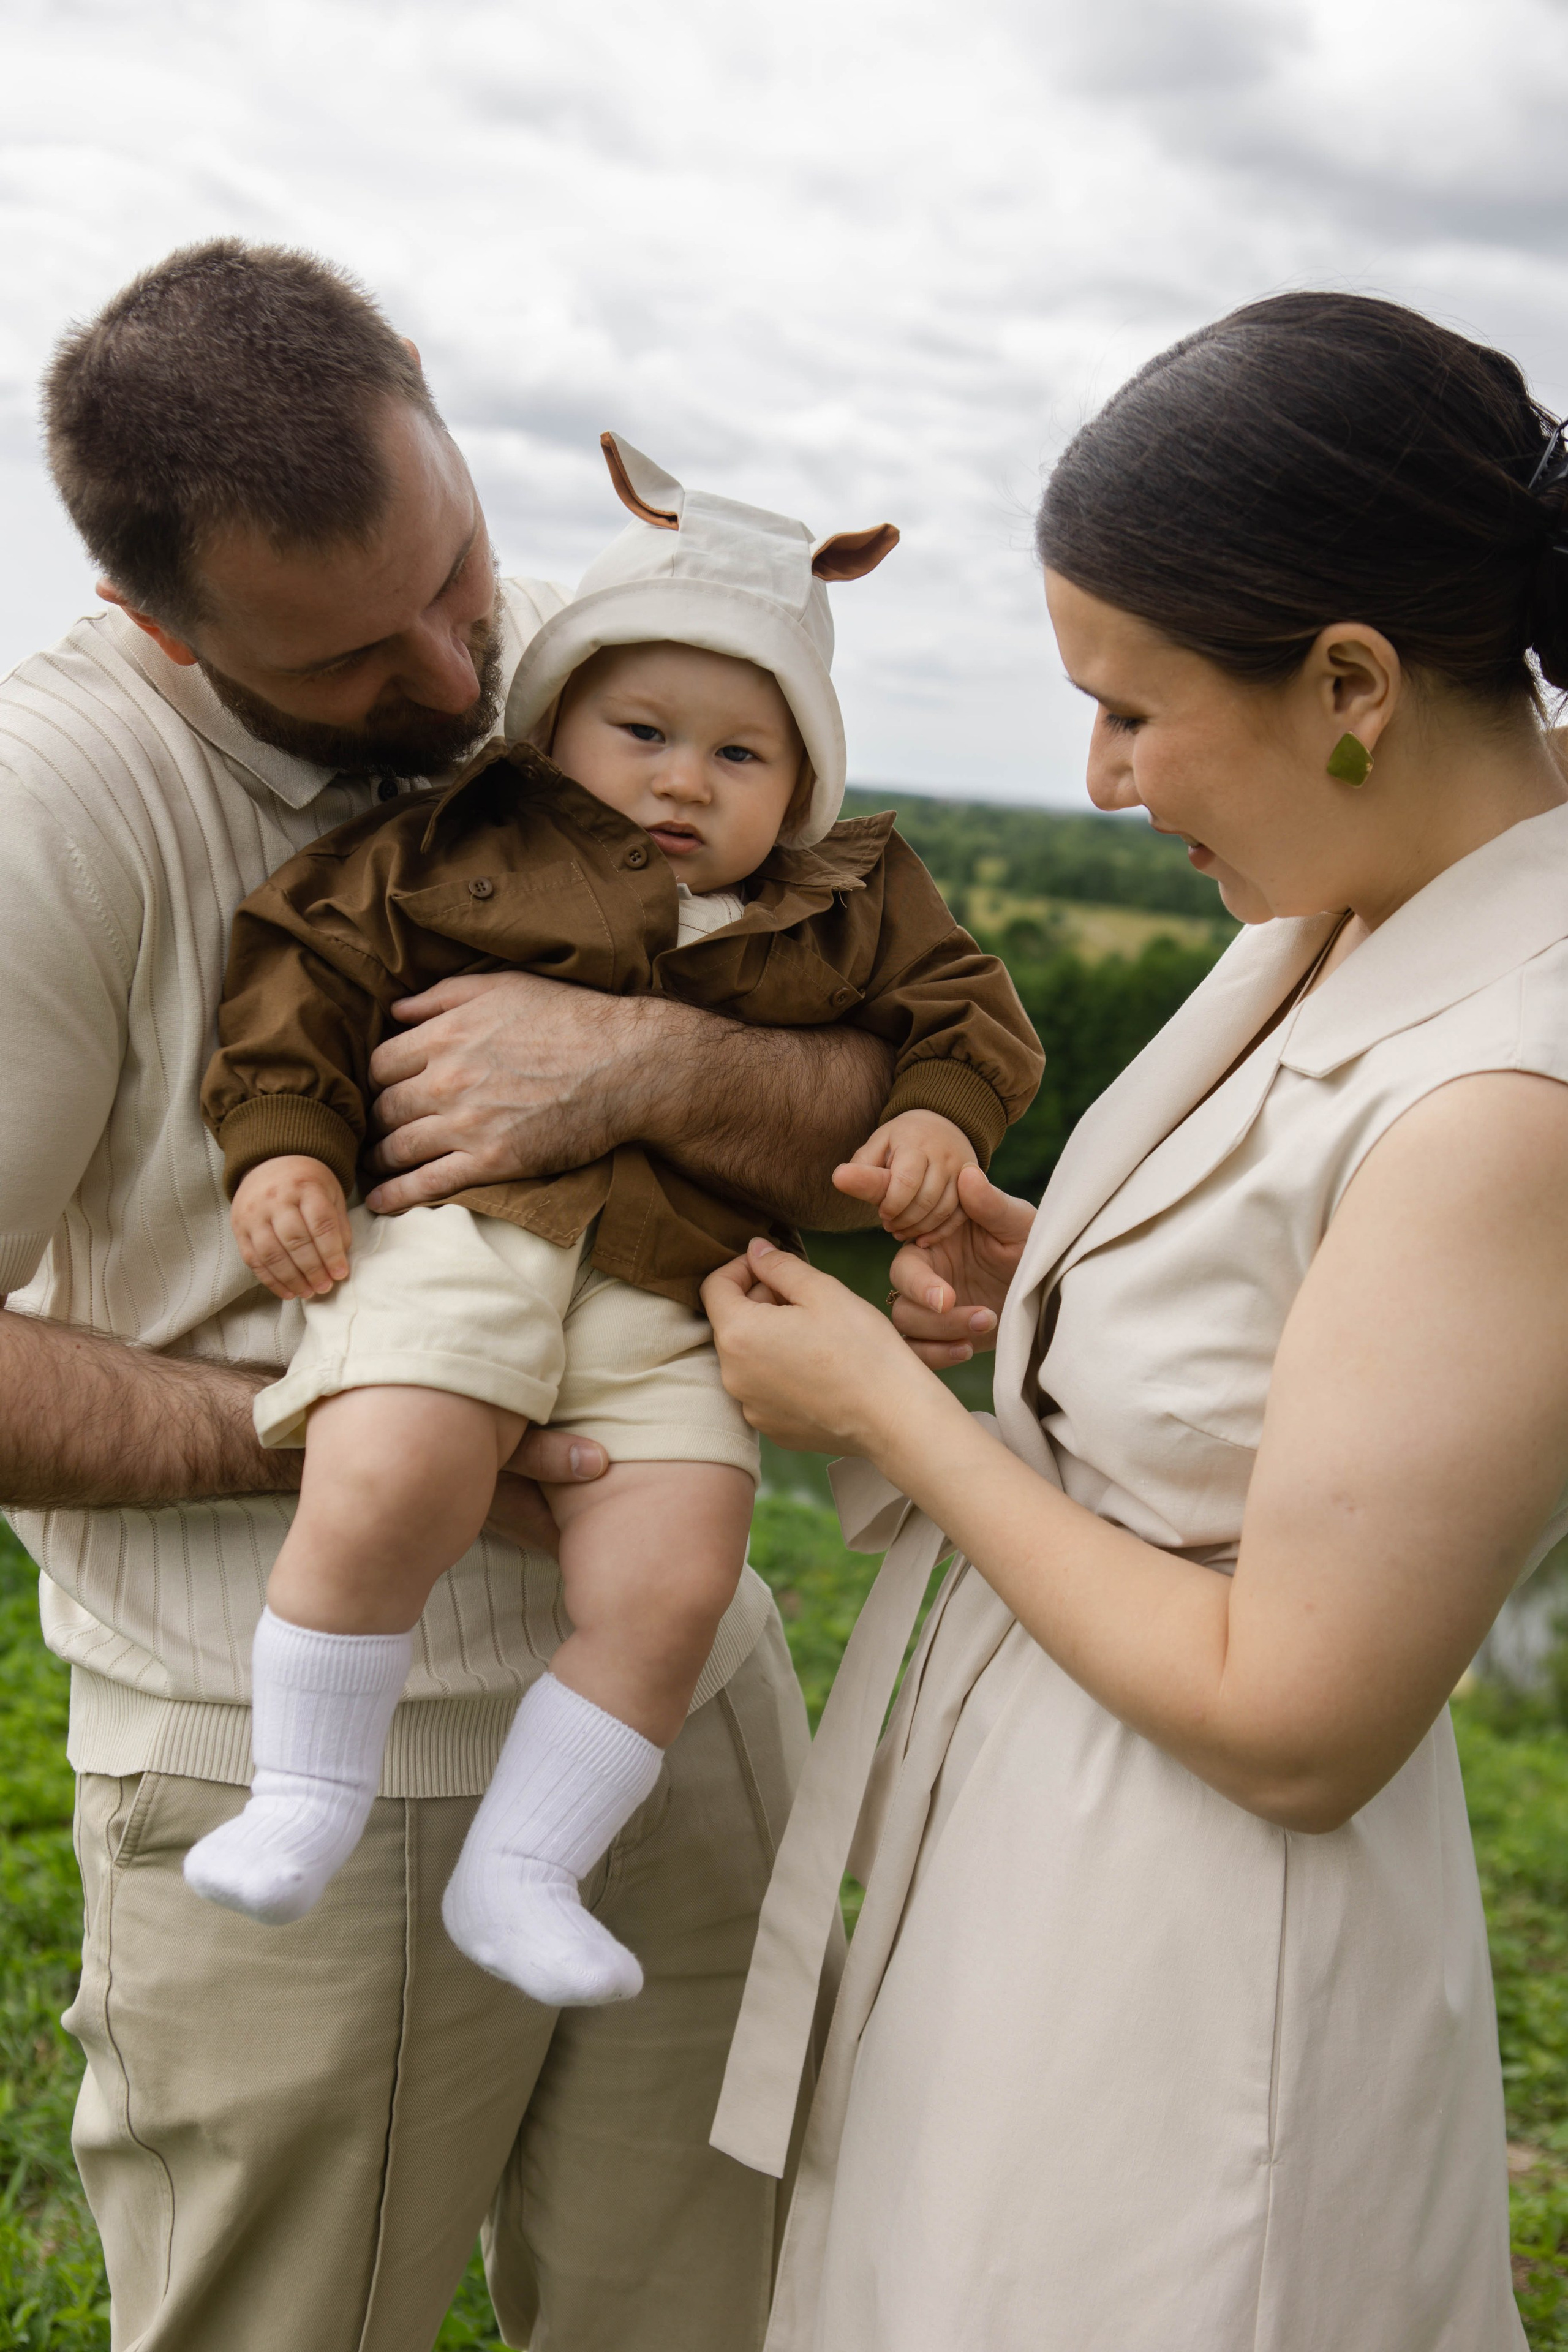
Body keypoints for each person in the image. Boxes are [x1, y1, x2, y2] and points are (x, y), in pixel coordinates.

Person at [0, 239, 911, 2352]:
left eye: (457, 572)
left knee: (720, 2315)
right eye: (351, 658)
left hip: (675, 1699)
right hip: (300, 1760)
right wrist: (362, 1430)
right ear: (160, 616)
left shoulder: (604, 688)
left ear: (426, 392)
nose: (448, 670)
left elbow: (868, 1079)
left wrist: (654, 1064)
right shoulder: (58, 807)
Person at [699, 291, 1568, 2350]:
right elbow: (1313, 1305)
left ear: (1350, 680)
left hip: (1196, 1964)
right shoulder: (1346, 886)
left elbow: (1300, 1719)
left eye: (1129, 711)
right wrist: (1065, 1287)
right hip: (1049, 1862)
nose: (1094, 780)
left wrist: (890, 1415)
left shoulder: (1516, 1088)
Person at [178, 432, 1040, 2005]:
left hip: (676, 1293)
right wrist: (282, 1145)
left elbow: (964, 1016)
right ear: (556, 718)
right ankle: (299, 1793)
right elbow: (303, 966)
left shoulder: (849, 898)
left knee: (674, 1577)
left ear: (804, 781)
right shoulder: (462, 839)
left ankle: (524, 1868)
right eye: (641, 731)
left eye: (741, 756)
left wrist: (934, 1119)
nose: (681, 780)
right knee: (392, 1467)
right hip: (464, 1226)